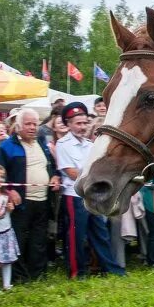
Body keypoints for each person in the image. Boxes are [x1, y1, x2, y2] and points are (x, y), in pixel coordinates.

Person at [55, 102, 123, 278]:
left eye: (85, 123)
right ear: (68, 124)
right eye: (78, 123)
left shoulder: (89, 144)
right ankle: (77, 271)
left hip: (92, 195)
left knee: (100, 233)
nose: (83, 127)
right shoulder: (63, 144)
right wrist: (93, 176)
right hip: (74, 195)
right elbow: (71, 173)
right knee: (76, 235)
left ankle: (112, 269)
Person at [0, 109, 59, 282]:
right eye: (28, 124)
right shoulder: (7, 146)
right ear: (19, 126)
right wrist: (9, 190)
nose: (32, 128)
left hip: (43, 200)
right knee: (19, 240)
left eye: (35, 124)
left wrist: (54, 175)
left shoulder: (42, 143)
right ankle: (19, 277)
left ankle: (37, 275)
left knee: (39, 239)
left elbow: (50, 165)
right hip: (21, 202)